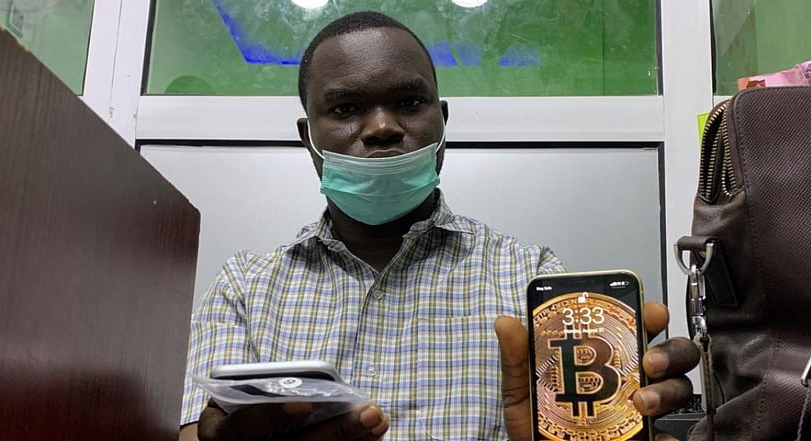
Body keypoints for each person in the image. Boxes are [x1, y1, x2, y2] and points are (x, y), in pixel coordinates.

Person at [179, 11, 700, 441]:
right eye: (345, 108)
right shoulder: (243, 289)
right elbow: (195, 430)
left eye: (408, 103)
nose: (382, 127)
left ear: (442, 123)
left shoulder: (529, 276)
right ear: (307, 136)